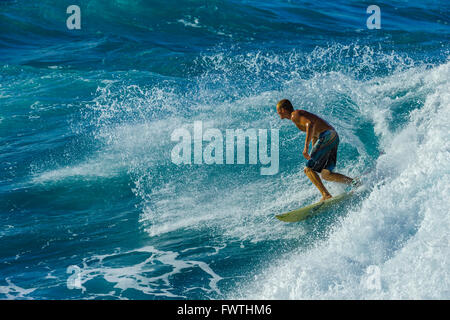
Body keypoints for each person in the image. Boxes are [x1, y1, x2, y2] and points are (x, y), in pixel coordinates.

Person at [276, 99, 357, 201]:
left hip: (326, 136)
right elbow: (314, 133)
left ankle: (326, 195)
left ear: (283, 110)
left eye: (278, 110)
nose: (277, 113)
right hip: (333, 136)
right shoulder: (298, 115)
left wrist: (306, 146)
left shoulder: (294, 115)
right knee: (326, 174)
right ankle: (355, 183)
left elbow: (310, 124)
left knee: (308, 169)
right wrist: (314, 150)